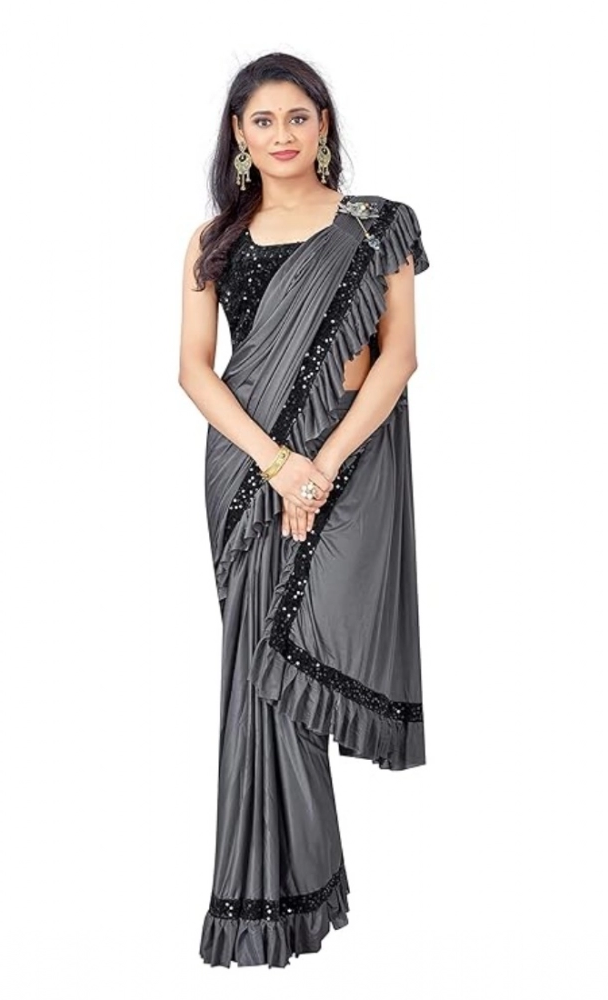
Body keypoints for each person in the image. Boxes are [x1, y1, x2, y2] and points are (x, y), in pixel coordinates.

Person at [178, 51, 430, 968]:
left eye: (297, 116)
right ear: (238, 136)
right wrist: (277, 463)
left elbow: (398, 358)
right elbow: (194, 371)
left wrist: (321, 463)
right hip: (250, 471)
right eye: (263, 120)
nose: (281, 134)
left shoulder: (379, 225)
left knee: (302, 657)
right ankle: (270, 901)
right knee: (259, 675)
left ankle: (294, 892)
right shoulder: (215, 239)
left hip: (349, 460)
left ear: (323, 124)